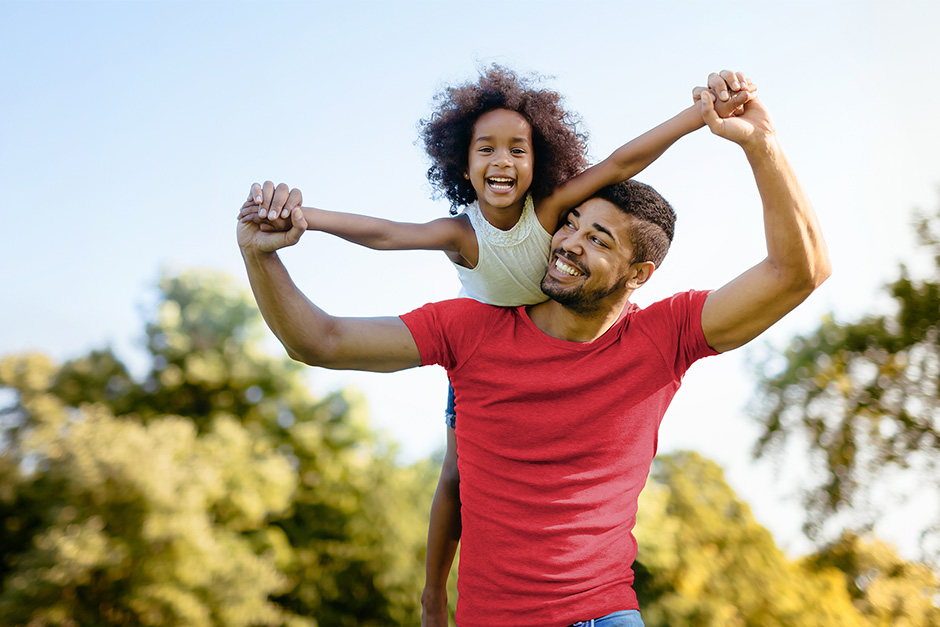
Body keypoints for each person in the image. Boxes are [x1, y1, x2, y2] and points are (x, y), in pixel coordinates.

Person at [238, 75, 830, 626]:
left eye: (596, 239)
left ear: (639, 274)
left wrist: (762, 143)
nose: (568, 241)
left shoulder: (665, 337)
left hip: (604, 615)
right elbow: (319, 340)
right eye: (571, 223)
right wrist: (261, 255)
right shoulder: (470, 328)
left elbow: (797, 271)